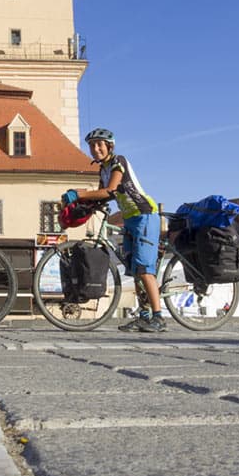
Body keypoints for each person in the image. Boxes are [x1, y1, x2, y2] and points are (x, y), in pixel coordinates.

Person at [62, 127, 165, 333]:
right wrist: (83, 208)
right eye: (92, 145)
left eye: (99, 144)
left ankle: (158, 317)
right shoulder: (103, 169)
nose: (95, 148)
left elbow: (109, 189)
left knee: (144, 269)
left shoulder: (119, 162)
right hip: (129, 219)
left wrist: (80, 194)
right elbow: (105, 197)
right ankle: (143, 317)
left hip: (144, 214)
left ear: (109, 146)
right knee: (134, 270)